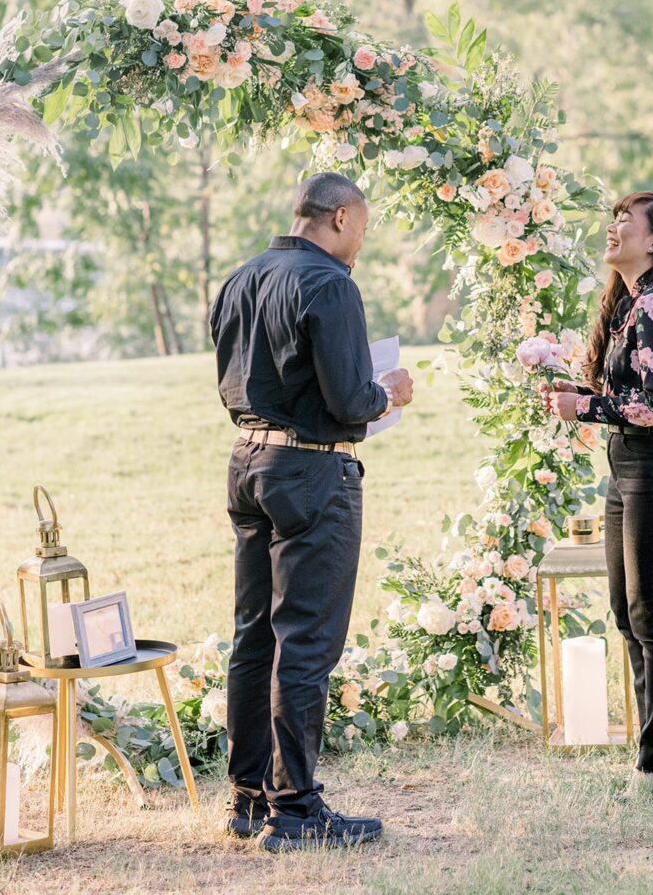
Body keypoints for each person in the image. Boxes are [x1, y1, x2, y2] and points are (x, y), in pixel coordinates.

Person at [209, 171, 414, 852]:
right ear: (341, 217)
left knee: (254, 634)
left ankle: (247, 798)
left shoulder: (240, 279)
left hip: (247, 460)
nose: (361, 242)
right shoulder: (330, 284)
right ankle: (295, 809)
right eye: (362, 227)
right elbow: (352, 401)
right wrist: (387, 393)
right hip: (310, 470)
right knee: (304, 639)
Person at [544, 190, 653, 794]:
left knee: (652, 618)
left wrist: (582, 406)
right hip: (631, 466)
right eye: (613, 218)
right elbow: (633, 396)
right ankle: (652, 752)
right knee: (627, 614)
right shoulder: (629, 305)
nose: (612, 228)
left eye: (624, 221)